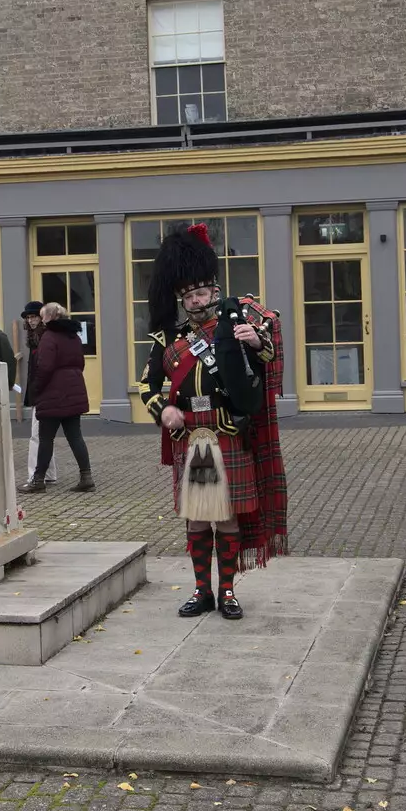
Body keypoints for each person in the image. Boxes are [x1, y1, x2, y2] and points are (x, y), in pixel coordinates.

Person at [142, 224, 288, 620]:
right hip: (191, 437)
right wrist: (163, 411)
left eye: (201, 293)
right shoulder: (168, 340)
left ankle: (227, 592)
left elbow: (268, 347)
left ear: (215, 291)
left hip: (228, 435)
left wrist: (256, 342)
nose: (195, 300)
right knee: (197, 517)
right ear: (181, 299)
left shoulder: (238, 320)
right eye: (188, 295)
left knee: (225, 516)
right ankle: (201, 591)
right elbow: (146, 385)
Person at [21, 302, 94, 494]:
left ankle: (38, 480)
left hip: (52, 394)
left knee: (46, 439)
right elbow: (81, 363)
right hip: (74, 390)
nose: (41, 319)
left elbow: (44, 367)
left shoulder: (49, 337)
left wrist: (36, 390)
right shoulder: (74, 337)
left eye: (43, 316)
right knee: (75, 437)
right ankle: (86, 477)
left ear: (50, 318)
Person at [16, 300, 57, 487]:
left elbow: (43, 369)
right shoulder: (35, 337)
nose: (31, 321)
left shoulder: (45, 337)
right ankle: (48, 473)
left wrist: (38, 392)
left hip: (44, 392)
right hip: (41, 392)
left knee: (36, 435)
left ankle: (35, 475)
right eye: (29, 318)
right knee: (44, 435)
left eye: (34, 317)